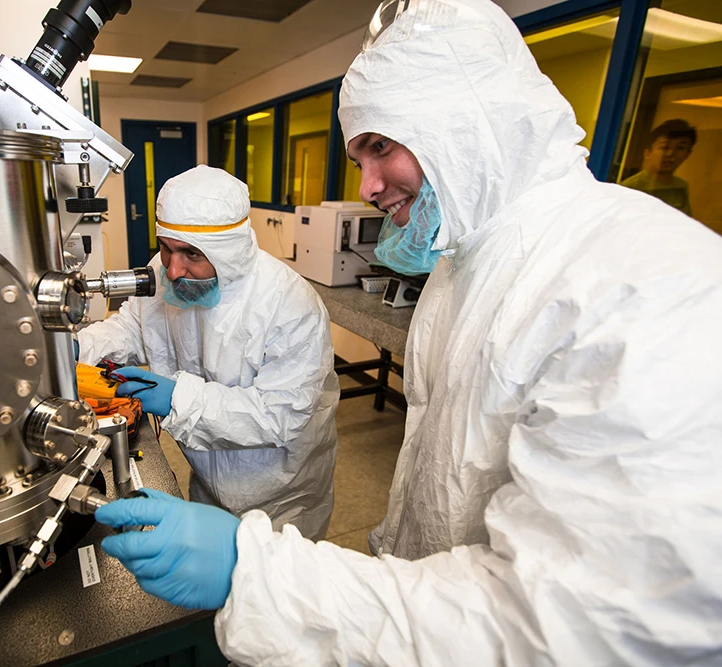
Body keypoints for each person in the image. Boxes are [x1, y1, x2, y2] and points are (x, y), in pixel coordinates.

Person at [93, 0, 722, 664]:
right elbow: (444, 483)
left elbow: (580, 630)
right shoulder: (464, 271)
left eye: (380, 146)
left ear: (461, 122)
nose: (365, 185)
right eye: (358, 155)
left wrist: (256, 573)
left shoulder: (648, 288)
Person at [77, 164, 339, 541]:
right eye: (165, 248)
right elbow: (132, 326)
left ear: (227, 253)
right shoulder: (165, 269)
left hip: (279, 496)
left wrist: (176, 398)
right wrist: (79, 346)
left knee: (270, 593)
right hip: (206, 476)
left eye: (190, 254)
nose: (171, 270)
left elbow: (279, 416)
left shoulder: (290, 305)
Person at [620, 118, 697, 216]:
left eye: (680, 148)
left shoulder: (681, 186)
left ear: (688, 154)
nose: (670, 154)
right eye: (665, 147)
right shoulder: (631, 187)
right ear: (648, 153)